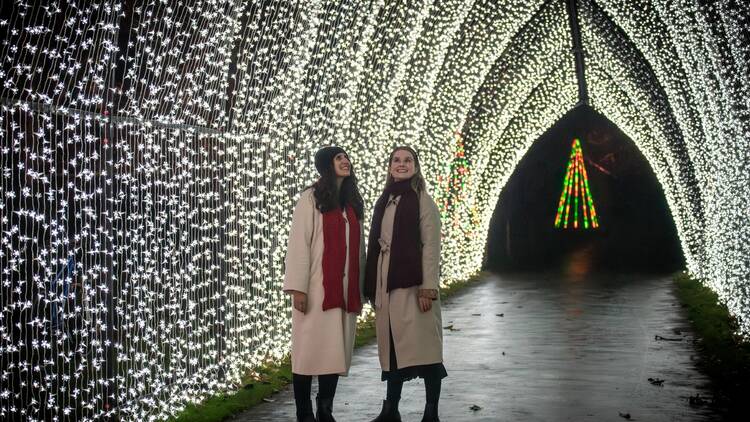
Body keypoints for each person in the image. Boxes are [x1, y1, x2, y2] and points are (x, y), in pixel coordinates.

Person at [283, 146, 365, 422]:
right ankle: (304, 412)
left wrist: (361, 287)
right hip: (317, 288)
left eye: (346, 156)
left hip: (344, 290)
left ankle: (325, 409)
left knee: (335, 351)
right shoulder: (311, 198)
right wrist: (298, 287)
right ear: (327, 166)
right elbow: (299, 244)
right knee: (307, 353)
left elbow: (359, 250)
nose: (345, 160)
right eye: (339, 157)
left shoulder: (351, 202)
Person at [365, 146, 446, 422]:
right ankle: (391, 410)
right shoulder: (386, 199)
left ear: (416, 166)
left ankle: (431, 412)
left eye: (408, 160)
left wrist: (428, 287)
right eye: (397, 160)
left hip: (413, 286)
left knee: (427, 351)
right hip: (387, 284)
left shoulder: (422, 200)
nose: (402, 164)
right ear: (389, 167)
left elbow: (431, 246)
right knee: (393, 351)